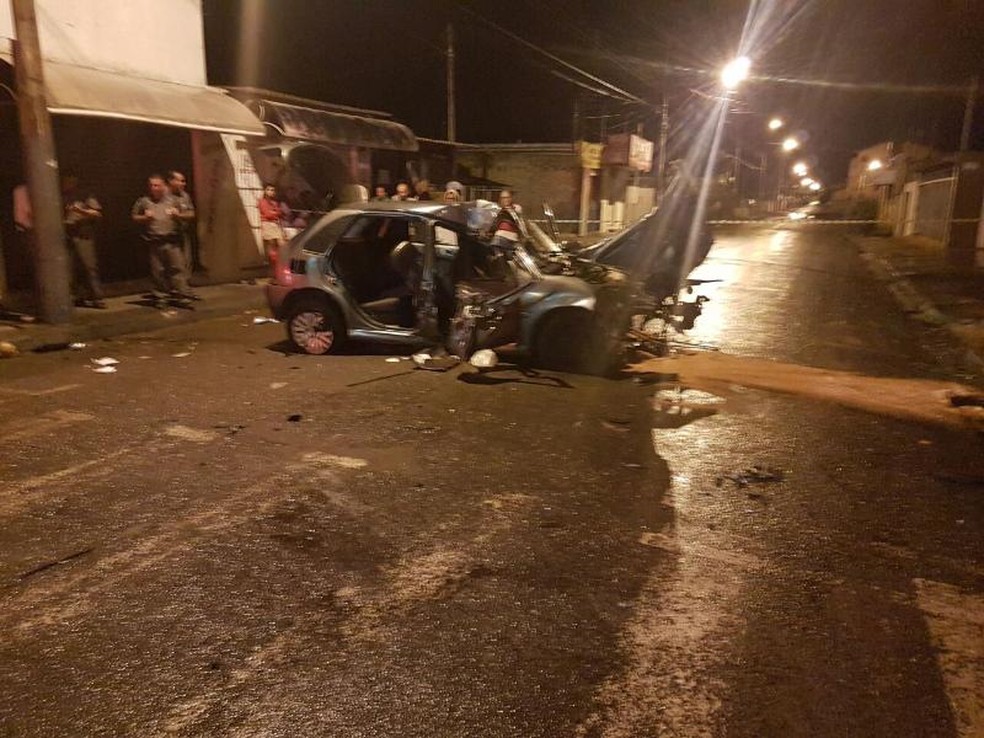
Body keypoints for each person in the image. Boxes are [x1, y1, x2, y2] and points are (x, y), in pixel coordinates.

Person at [131, 174, 197, 306]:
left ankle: (182, 295)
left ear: (163, 186)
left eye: (156, 185)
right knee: (158, 271)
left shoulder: (173, 200)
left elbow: (191, 214)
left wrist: (178, 215)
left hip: (172, 241)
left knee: (178, 269)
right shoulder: (144, 201)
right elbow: (134, 216)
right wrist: (145, 218)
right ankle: (161, 297)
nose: (153, 188)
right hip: (155, 241)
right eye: (151, 185)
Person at [62, 174, 106, 309]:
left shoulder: (85, 196)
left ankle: (97, 297)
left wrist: (79, 210)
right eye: (66, 181)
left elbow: (97, 214)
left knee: (89, 267)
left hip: (83, 236)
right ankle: (75, 296)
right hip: (67, 236)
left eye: (71, 181)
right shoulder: (60, 197)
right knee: (70, 269)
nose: (68, 184)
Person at [166, 171, 197, 273]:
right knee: (171, 263)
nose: (184, 184)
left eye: (184, 181)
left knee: (186, 260)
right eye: (181, 181)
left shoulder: (185, 196)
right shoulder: (163, 195)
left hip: (182, 233)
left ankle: (184, 284)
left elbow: (191, 213)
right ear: (171, 181)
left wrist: (179, 215)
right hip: (167, 235)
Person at [258, 183, 288, 272]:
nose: (271, 192)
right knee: (271, 247)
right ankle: (273, 269)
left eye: (272, 190)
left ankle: (280, 267)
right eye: (269, 190)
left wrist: (275, 213)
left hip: (276, 225)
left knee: (282, 245)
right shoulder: (262, 201)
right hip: (267, 224)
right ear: (265, 191)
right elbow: (268, 214)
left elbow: (279, 212)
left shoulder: (274, 203)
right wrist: (275, 213)